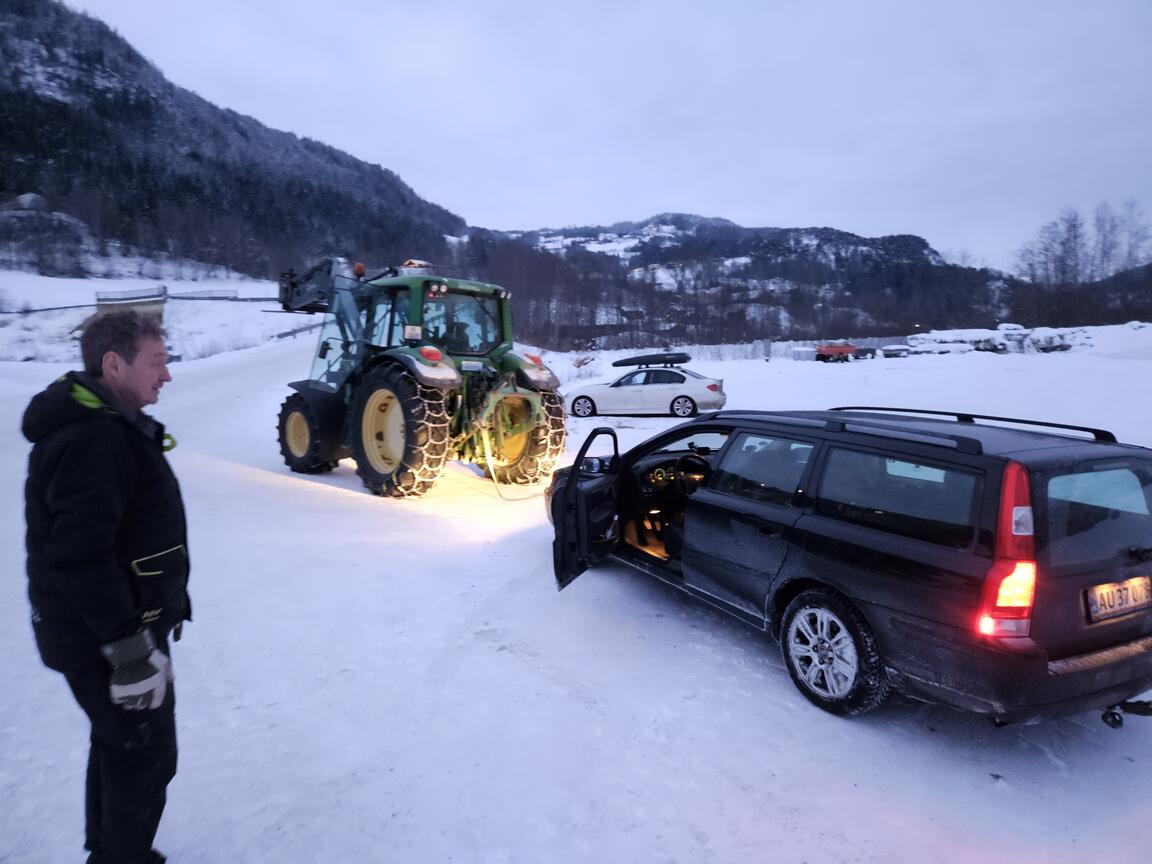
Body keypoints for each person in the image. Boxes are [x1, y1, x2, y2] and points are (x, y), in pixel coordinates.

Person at [23, 310, 190, 864]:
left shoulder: (107, 426)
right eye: (157, 363)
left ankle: (110, 853)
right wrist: (128, 652)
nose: (166, 375)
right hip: (109, 639)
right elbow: (77, 558)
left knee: (120, 744)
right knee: (144, 754)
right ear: (113, 364)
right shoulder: (93, 439)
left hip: (120, 629)